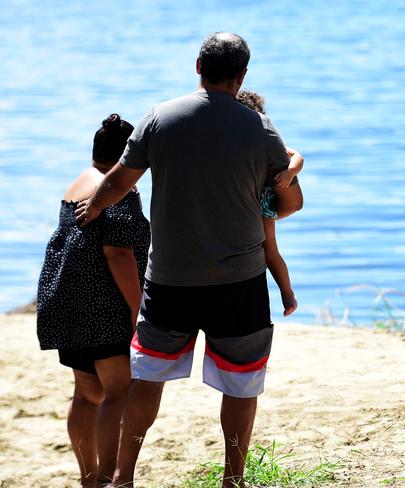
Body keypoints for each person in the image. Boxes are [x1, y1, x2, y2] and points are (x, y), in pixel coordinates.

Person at [75, 32, 303, 488]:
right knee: (240, 384)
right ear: (241, 76)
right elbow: (290, 203)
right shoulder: (259, 127)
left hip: (170, 281)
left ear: (198, 65)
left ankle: (123, 477)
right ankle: (233, 479)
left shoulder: (160, 118)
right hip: (239, 284)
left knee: (147, 379)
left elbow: (120, 179)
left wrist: (95, 206)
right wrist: (292, 169)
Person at [36, 114, 150, 487]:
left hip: (67, 302)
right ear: (130, 155)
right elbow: (118, 254)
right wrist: (137, 308)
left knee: (87, 394)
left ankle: (89, 479)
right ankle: (105, 479)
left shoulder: (77, 184)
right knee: (119, 392)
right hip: (103, 306)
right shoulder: (117, 190)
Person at [236, 89, 304, 316]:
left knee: (271, 248)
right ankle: (287, 294)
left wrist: (290, 173)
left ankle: (287, 293)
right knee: (270, 248)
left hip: (263, 201)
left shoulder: (267, 141)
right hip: (248, 201)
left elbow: (297, 157)